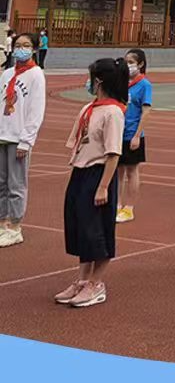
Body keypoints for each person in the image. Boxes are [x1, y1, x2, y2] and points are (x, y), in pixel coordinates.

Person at [56, 57, 127, 308]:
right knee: (78, 226)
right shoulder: (89, 108)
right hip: (81, 171)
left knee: (96, 230)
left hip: (98, 173)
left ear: (99, 81)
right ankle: (83, 280)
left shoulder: (113, 112)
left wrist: (103, 186)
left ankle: (96, 284)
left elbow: (113, 153)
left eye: (90, 78)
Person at [0, 32, 46, 248]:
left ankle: (15, 227)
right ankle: (2, 223)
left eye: (26, 45)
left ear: (34, 49)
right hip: (2, 134)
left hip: (18, 137)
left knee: (16, 184)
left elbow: (36, 110)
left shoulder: (36, 75)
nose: (21, 49)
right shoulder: (7, 73)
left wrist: (26, 140)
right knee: (1, 183)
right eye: (18, 45)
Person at [117, 48, 152, 223]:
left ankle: (129, 208)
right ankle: (116, 205)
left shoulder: (144, 85)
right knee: (117, 171)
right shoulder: (121, 82)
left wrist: (137, 135)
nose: (127, 65)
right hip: (118, 133)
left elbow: (146, 112)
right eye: (126, 62)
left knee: (131, 171)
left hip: (132, 134)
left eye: (131, 62)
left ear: (140, 64)